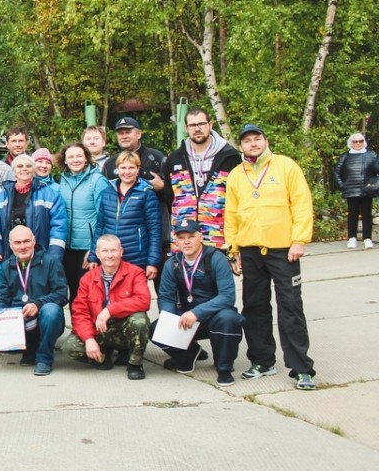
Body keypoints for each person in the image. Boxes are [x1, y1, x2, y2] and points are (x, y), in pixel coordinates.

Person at [225, 124, 317, 390]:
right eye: (247, 141)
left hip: (283, 250)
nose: (252, 144)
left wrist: (299, 240)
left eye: (257, 139)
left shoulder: (286, 166)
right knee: (254, 306)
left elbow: (301, 204)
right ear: (240, 146)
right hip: (250, 249)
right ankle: (263, 361)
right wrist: (234, 249)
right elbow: (230, 214)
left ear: (265, 141)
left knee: (290, 307)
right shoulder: (235, 175)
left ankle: (301, 369)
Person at [153, 218, 244, 386]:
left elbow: (227, 296)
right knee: (156, 329)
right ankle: (188, 357)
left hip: (214, 315)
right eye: (181, 238)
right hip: (187, 319)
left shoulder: (216, 258)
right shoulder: (172, 263)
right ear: (176, 241)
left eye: (191, 236)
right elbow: (166, 296)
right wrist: (169, 320)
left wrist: (197, 313)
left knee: (229, 319)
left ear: (200, 237)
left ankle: (223, 368)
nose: (186, 242)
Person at [62, 235, 152, 380]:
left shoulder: (135, 273)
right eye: (105, 251)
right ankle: (103, 357)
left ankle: (135, 363)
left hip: (123, 329)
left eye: (113, 250)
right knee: (69, 348)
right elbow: (80, 313)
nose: (109, 255)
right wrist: (89, 339)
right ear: (97, 254)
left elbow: (144, 301)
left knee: (140, 320)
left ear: (121, 252)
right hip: (99, 330)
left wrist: (110, 310)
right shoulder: (87, 278)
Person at [0, 225, 68, 376]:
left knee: (51, 311)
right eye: (17, 243)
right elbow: (2, 298)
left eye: (26, 241)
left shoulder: (50, 262)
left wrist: (38, 304)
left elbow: (62, 294)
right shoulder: (6, 266)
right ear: (10, 245)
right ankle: (29, 350)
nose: (22, 247)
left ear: (34, 241)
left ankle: (44, 358)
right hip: (20, 320)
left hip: (44, 318)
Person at [163, 107, 241, 250]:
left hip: (218, 237)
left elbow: (239, 198)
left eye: (201, 124)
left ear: (210, 125)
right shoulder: (174, 159)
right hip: (184, 238)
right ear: (186, 128)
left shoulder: (230, 157)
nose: (197, 129)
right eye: (192, 125)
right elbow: (169, 197)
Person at [0, 154, 69, 264]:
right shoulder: (2, 196)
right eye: (20, 166)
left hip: (41, 257)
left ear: (33, 170)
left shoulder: (50, 194)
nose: (24, 168)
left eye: (28, 166)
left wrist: (54, 256)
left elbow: (59, 227)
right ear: (14, 171)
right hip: (10, 255)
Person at [94, 151, 162, 282]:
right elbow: (100, 226)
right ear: (117, 169)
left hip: (136, 258)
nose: (127, 172)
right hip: (111, 256)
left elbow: (155, 229)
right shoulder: (108, 192)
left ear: (138, 170)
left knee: (134, 299)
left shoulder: (147, 193)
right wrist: (93, 254)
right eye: (123, 167)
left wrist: (152, 261)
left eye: (131, 167)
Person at [56, 142, 106, 307]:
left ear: (86, 158)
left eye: (79, 156)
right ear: (65, 160)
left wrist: (94, 250)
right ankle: (79, 330)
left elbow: (104, 217)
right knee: (73, 290)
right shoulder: (61, 180)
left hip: (87, 247)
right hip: (67, 247)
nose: (75, 160)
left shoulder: (97, 180)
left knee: (89, 293)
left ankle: (94, 330)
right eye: (71, 156)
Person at [335, 132, 378, 249]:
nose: (358, 143)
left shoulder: (371, 155)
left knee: (367, 215)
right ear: (351, 143)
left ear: (364, 142)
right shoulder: (344, 156)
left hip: (367, 190)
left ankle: (367, 239)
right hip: (351, 190)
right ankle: (352, 238)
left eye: (361, 141)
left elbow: (376, 170)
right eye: (355, 141)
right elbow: (337, 172)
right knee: (352, 215)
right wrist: (342, 186)